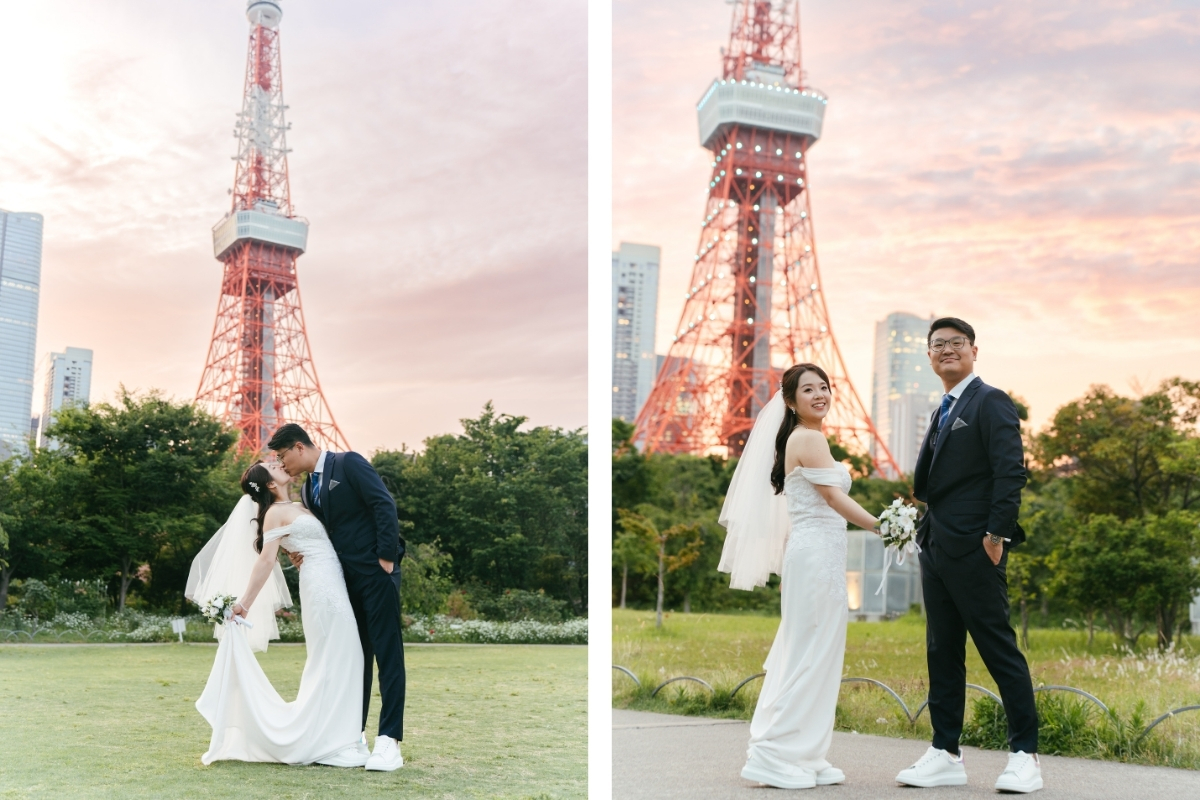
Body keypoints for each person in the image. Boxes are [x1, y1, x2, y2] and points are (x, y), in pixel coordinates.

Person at [718, 363, 884, 790]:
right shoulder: (808, 438)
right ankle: (775, 753)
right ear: (790, 401)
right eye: (807, 390)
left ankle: (807, 752)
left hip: (816, 555)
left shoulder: (808, 437)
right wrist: (884, 526)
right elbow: (832, 497)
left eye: (824, 387)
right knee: (811, 652)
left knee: (813, 650)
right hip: (814, 558)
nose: (819, 395)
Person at [894, 317, 1041, 793]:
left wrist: (996, 534)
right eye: (938, 345)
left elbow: (1010, 471)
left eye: (957, 343)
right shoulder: (943, 408)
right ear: (930, 356)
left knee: (997, 647)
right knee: (942, 650)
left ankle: (1024, 756)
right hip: (936, 543)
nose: (947, 350)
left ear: (975, 350)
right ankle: (945, 752)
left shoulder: (989, 400)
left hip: (978, 545)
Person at [190, 461, 369, 767]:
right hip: (321, 588)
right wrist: (244, 603)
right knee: (332, 658)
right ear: (270, 484)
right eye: (271, 466)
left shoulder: (300, 502)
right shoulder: (273, 514)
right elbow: (264, 561)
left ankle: (339, 733)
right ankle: (327, 738)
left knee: (346, 656)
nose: (279, 463)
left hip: (333, 581)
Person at [269, 423, 407, 772]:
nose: (282, 464)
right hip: (343, 582)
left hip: (376, 574)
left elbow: (383, 505)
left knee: (387, 654)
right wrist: (295, 553)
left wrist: (386, 560)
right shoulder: (306, 491)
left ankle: (389, 742)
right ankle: (352, 735)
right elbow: (317, 533)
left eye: (283, 456)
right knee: (357, 656)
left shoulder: (348, 463)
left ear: (299, 447)